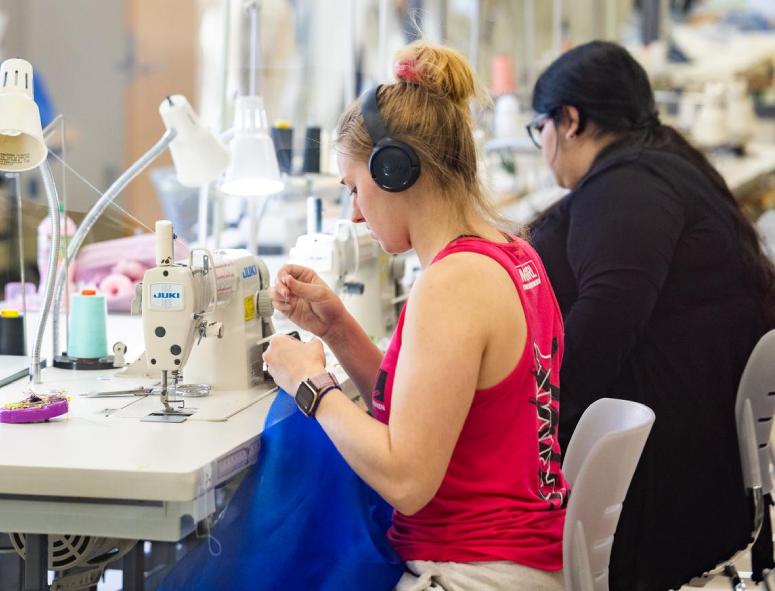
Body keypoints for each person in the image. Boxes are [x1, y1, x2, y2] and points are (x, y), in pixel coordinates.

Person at [262, 41, 567, 590]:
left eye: (355, 189)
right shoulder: (513, 255)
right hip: (520, 558)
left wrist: (311, 384)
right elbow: (425, 414)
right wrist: (338, 329)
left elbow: (406, 480)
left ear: (395, 171)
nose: (355, 214)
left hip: (476, 573)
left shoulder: (454, 285)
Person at [526, 41, 775, 591]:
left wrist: (524, 421)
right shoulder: (660, 167)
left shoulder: (628, 186)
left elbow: (601, 331)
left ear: (569, 121)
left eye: (538, 128)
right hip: (703, 453)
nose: (540, 146)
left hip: (666, 476)